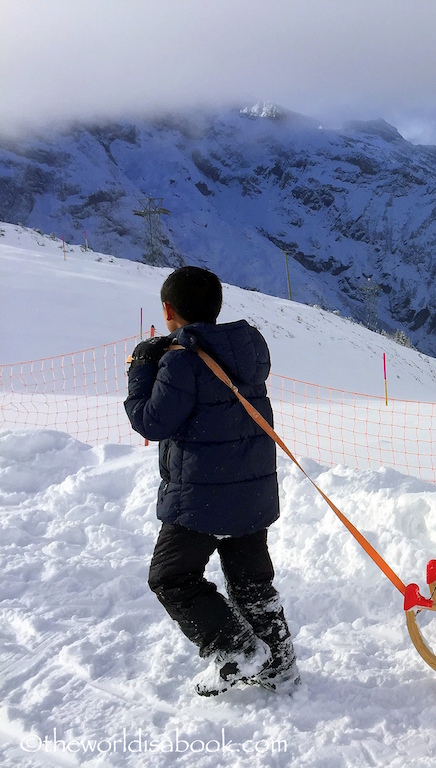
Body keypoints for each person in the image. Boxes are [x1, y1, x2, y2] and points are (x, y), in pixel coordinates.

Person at [124, 265, 299, 696]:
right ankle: (279, 667)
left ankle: (236, 649)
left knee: (171, 578)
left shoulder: (182, 362)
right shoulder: (245, 350)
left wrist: (143, 368)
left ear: (168, 310)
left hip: (201, 494)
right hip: (251, 487)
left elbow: (151, 421)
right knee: (250, 580)